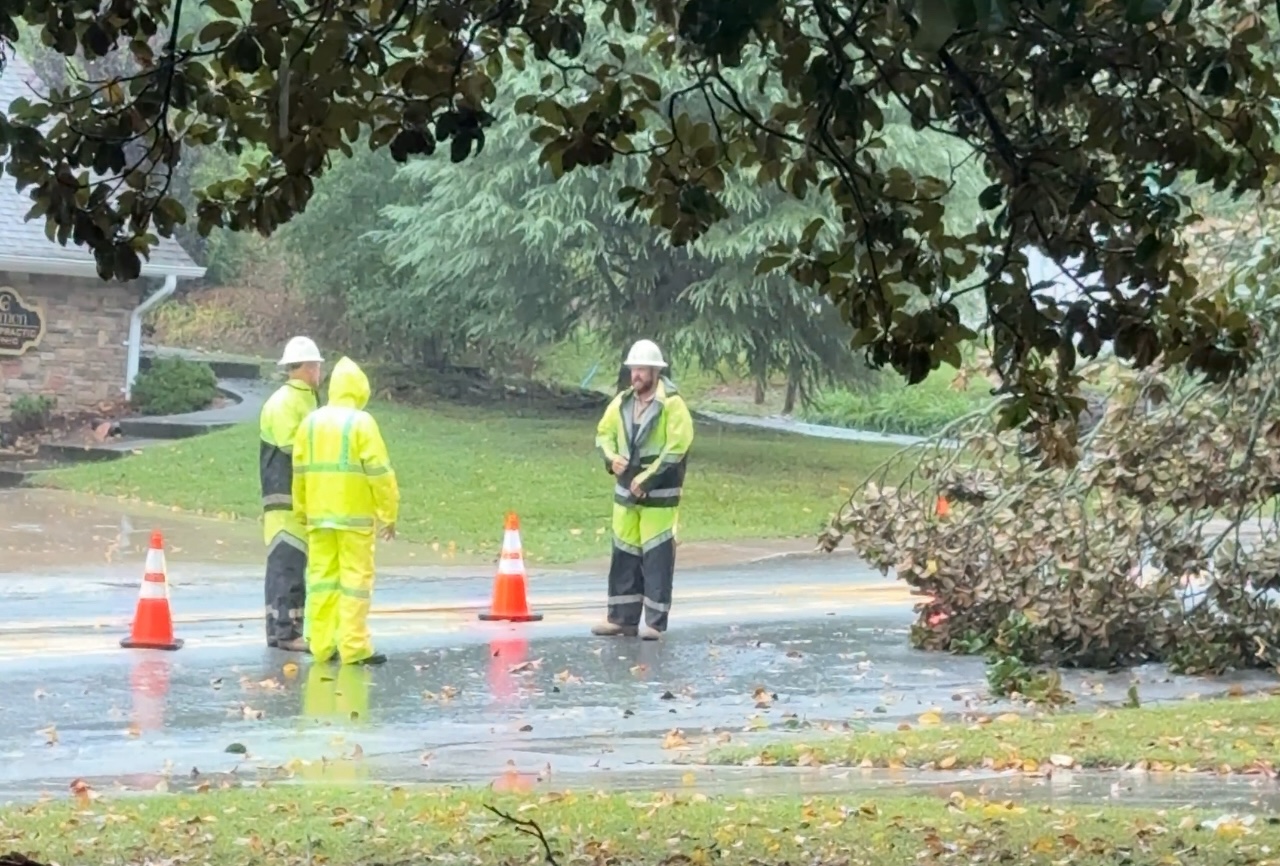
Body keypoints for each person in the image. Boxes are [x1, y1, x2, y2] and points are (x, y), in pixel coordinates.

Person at [292, 356, 399, 666]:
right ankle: (354, 647)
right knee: (354, 584)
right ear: (359, 389)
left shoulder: (310, 422)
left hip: (317, 517)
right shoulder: (361, 423)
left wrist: (301, 510)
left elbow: (298, 470)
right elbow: (380, 473)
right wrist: (388, 514)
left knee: (322, 580)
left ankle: (322, 645)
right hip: (353, 519)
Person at [592, 339, 694, 640]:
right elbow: (603, 435)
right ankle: (621, 619)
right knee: (624, 556)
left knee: (657, 558)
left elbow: (677, 449)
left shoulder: (672, 405)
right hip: (625, 495)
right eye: (633, 368)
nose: (635, 374)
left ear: (655, 371)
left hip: (658, 498)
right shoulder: (622, 402)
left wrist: (647, 479)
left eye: (641, 369)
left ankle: (654, 624)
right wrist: (612, 460)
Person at [259, 336, 323, 652]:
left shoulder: (302, 400)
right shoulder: (289, 402)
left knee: (289, 565)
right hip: (286, 497)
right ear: (310, 367)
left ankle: (282, 630)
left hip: (290, 497)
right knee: (287, 565)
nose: (320, 372)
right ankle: (286, 632)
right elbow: (290, 447)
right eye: (318, 366)